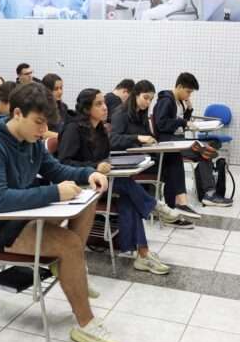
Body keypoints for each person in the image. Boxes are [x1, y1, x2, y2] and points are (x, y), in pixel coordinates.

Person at [0, 83, 125, 342]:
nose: (43, 131)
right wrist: (54, 192)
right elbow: (0, 201)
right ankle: (86, 324)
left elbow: (53, 168)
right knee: (70, 246)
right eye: (38, 123)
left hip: (22, 215)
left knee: (87, 201)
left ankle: (70, 268)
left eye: (46, 124)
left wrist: (87, 174)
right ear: (17, 113)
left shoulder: (31, 141)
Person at [59, 88, 179, 273]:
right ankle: (154, 207)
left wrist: (103, 165)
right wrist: (95, 167)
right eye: (99, 104)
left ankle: (143, 254)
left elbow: (105, 157)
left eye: (104, 103)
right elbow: (64, 163)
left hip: (101, 182)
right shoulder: (73, 129)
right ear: (86, 108)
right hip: (80, 185)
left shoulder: (100, 129)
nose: (105, 107)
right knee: (125, 184)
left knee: (129, 199)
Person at [110, 80, 196, 227]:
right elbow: (114, 139)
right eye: (145, 98)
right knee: (171, 164)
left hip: (141, 156)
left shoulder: (141, 114)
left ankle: (171, 208)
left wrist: (153, 141)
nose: (148, 102)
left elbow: (148, 136)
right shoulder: (121, 113)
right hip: (127, 158)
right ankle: (170, 210)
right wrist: (137, 138)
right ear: (135, 95)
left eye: (151, 99)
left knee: (173, 158)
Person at [154, 73, 232, 209]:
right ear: (179, 87)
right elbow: (162, 124)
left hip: (177, 139)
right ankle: (208, 193)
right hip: (169, 142)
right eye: (188, 92)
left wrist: (189, 110)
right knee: (205, 151)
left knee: (209, 147)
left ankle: (208, 192)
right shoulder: (167, 100)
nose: (189, 95)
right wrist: (184, 122)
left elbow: (178, 121)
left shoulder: (178, 102)